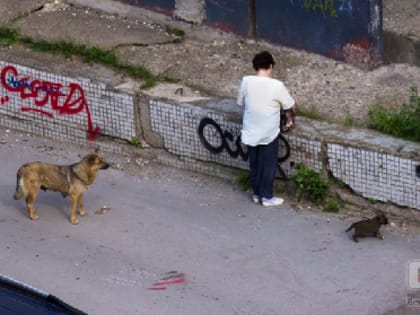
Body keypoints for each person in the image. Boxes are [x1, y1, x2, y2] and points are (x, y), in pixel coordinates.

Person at [237, 51, 296, 207]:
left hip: (250, 131)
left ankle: (256, 193)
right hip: (269, 133)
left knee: (255, 164)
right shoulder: (277, 85)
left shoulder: (246, 81)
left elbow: (240, 102)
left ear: (255, 66)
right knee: (268, 165)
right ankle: (267, 197)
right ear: (270, 66)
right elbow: (290, 105)